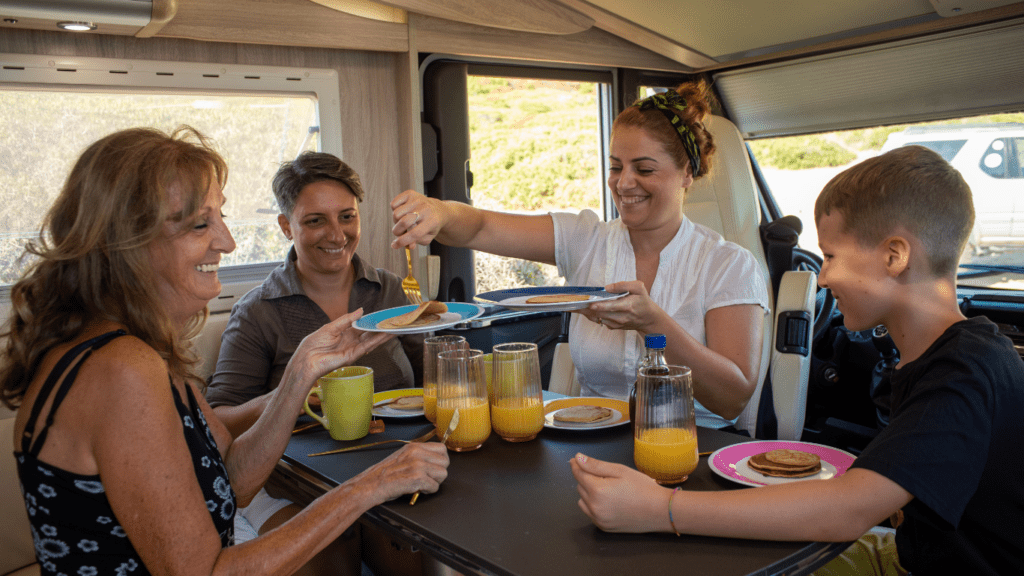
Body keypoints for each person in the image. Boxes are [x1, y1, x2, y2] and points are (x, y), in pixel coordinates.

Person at [1, 127, 449, 575]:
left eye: (221, 217)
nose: (227, 242)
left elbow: (228, 479)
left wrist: (302, 370)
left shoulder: (133, 349)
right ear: (129, 243)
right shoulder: (121, 370)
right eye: (200, 224)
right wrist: (369, 485)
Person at [569, 145, 1024, 576]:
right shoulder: (942, 356)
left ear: (894, 255)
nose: (822, 278)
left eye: (830, 257)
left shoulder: (964, 370)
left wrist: (659, 510)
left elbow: (848, 509)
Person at [391, 80, 770, 430]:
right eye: (616, 167)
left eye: (644, 169)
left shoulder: (729, 265)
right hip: (592, 437)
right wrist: (438, 212)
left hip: (692, 444)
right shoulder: (587, 239)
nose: (623, 183)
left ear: (687, 172)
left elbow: (732, 399)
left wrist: (653, 323)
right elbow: (480, 227)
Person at [207, 151, 424, 439]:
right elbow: (217, 422)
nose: (336, 235)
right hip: (306, 472)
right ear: (286, 227)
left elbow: (433, 376)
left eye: (347, 217)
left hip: (405, 450)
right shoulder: (256, 312)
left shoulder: (392, 289)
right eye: (315, 221)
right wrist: (287, 396)